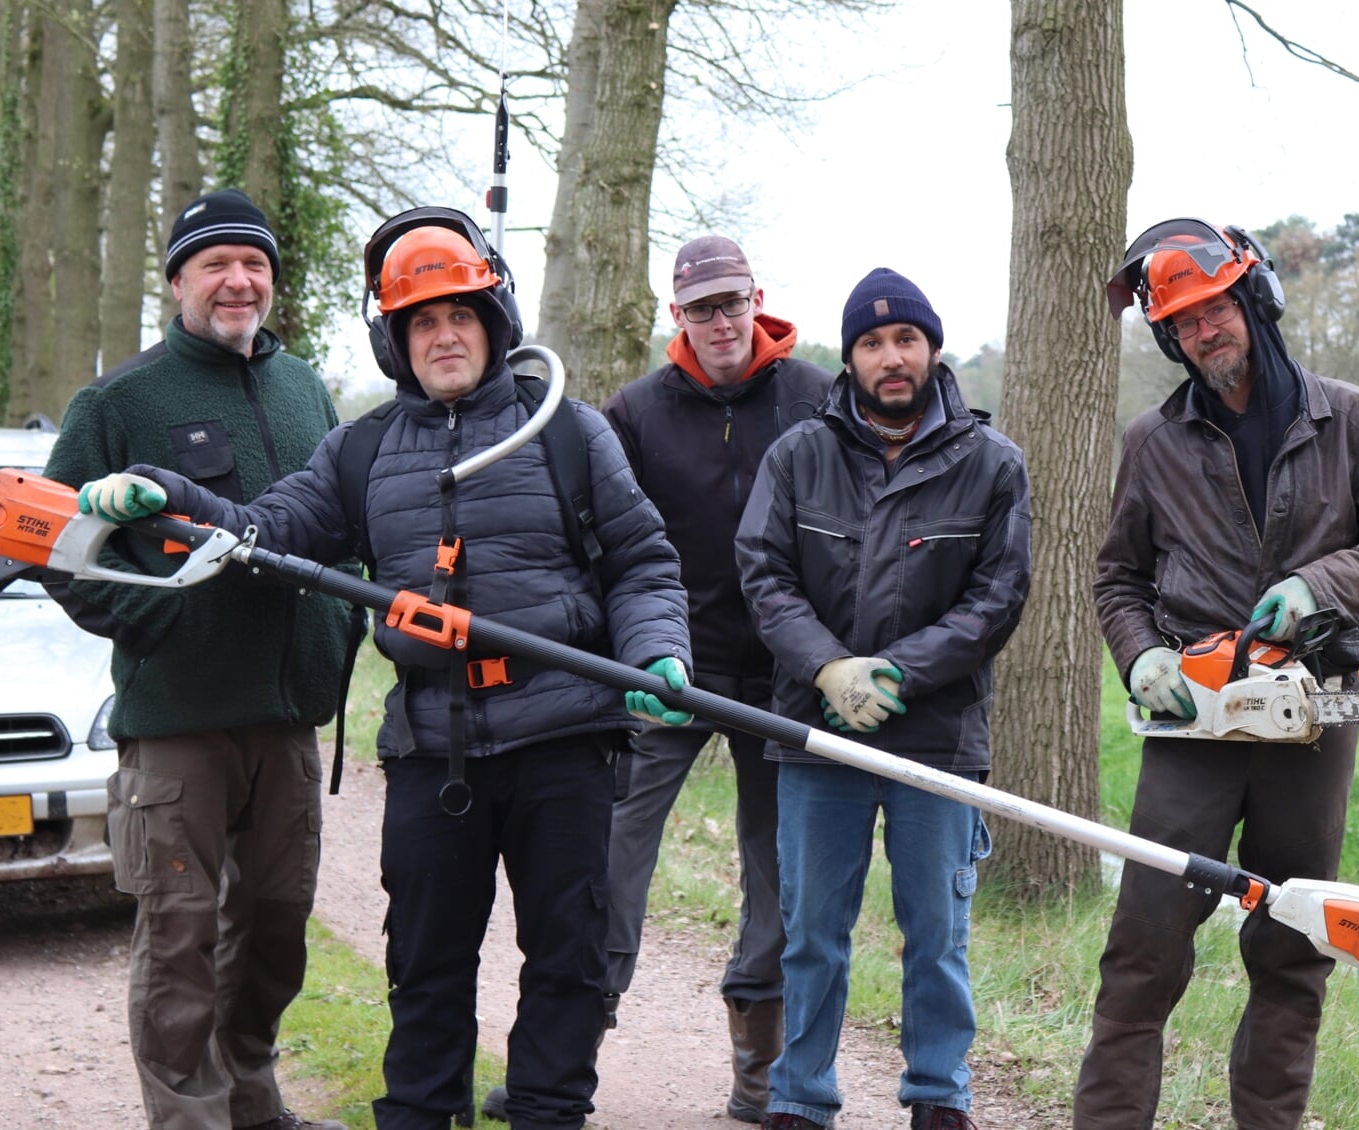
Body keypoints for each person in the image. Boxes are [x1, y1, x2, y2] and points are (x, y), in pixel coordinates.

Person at [72, 209, 692, 1130]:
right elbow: (266, 530)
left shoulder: (568, 434)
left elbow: (643, 560)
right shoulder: (361, 450)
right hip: (433, 747)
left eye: (461, 316)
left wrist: (655, 652)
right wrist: (171, 492)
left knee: (569, 952)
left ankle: (548, 1109)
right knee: (426, 960)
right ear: (396, 340)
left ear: (494, 322)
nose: (445, 335)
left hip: (564, 734)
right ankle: (418, 1115)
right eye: (422, 322)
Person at [1074, 218, 1359, 1130]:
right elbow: (1118, 576)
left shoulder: (1346, 418)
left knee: (1293, 948)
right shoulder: (1154, 441)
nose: (1205, 332)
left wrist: (1320, 585)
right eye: (1184, 322)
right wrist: (1143, 652)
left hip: (1311, 721)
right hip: (1196, 729)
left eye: (1217, 307)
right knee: (1144, 946)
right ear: (1170, 337)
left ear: (1254, 300)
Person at [41, 187, 357, 1130]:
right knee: (178, 938)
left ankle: (253, 1100)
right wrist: (147, 622)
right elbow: (46, 541)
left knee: (273, 930)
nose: (238, 280)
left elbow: (345, 518)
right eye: (215, 264)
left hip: (288, 713)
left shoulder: (306, 390)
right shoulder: (120, 401)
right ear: (177, 280)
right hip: (179, 719)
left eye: (254, 263)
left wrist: (342, 629)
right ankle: (189, 1117)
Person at [735, 269, 1032, 1130]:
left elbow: (997, 597)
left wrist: (896, 672)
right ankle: (801, 1096)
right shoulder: (798, 455)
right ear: (852, 358)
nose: (890, 357)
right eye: (871, 343)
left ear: (931, 348)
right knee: (811, 935)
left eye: (905, 339)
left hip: (937, 739)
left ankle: (939, 1097)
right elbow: (763, 573)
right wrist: (829, 668)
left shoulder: (991, 462)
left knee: (936, 936)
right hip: (817, 737)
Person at [595, 235, 832, 1123]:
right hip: (669, 665)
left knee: (777, 864)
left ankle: (758, 1074)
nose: (722, 321)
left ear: (757, 300)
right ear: (677, 316)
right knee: (614, 843)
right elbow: (608, 539)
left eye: (733, 303)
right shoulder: (635, 412)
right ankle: (571, 1045)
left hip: (785, 672)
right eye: (702, 308)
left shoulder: (815, 395)